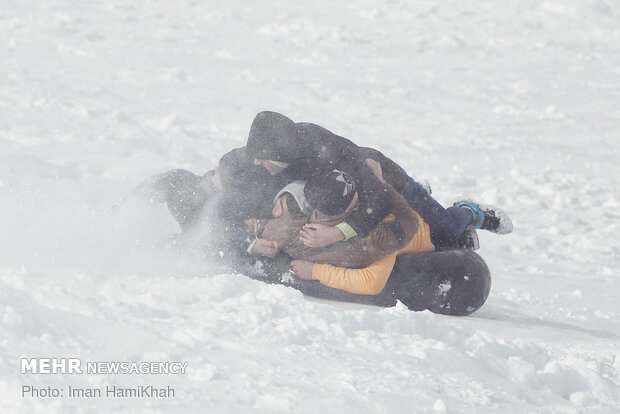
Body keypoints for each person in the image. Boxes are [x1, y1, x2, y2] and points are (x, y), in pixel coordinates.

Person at [245, 111, 512, 251]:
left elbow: (379, 200)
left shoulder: (323, 150)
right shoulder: (277, 158)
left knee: (445, 232)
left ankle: (468, 211)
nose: (256, 163)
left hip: (381, 178)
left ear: (277, 153)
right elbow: (237, 168)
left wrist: (337, 233)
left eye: (260, 158)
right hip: (346, 192)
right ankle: (421, 195)